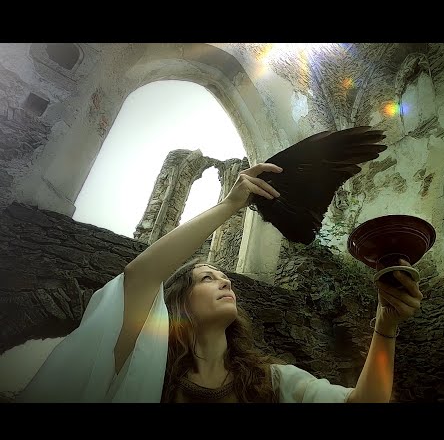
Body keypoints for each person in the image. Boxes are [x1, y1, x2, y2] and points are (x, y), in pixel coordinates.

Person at [18, 162, 422, 403]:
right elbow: (140, 275)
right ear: (180, 301)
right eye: (208, 278)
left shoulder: (271, 381)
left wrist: (385, 325)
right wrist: (230, 204)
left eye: (226, 277)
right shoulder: (144, 365)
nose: (225, 281)